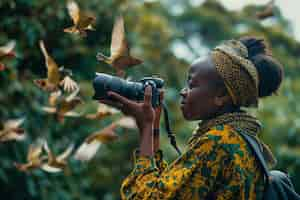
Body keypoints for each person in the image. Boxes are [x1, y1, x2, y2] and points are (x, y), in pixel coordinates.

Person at [99, 36, 284, 199]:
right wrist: (152, 124)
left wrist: (145, 129)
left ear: (221, 96)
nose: (183, 92)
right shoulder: (239, 139)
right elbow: (168, 187)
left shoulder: (218, 142)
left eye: (192, 84)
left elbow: (145, 197)